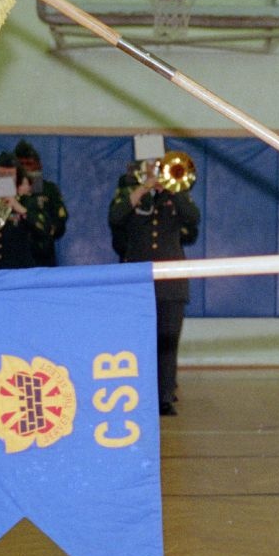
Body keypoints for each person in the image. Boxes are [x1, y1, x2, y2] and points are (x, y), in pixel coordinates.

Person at [108, 157, 201, 416]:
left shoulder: (176, 192)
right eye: (150, 166)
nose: (155, 170)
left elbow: (193, 218)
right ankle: (136, 392)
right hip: (137, 280)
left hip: (171, 283)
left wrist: (171, 190)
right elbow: (115, 217)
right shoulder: (129, 191)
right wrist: (143, 188)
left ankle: (164, 396)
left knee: (168, 340)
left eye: (158, 166)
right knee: (137, 341)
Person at [0, 153, 61, 272]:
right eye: (1, 174)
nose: (5, 178)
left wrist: (18, 207)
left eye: (10, 174)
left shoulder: (28, 201)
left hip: (19, 271)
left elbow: (44, 229)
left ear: (18, 178)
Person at [12, 140, 69, 266]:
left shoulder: (48, 189)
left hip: (41, 255)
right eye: (21, 164)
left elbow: (60, 222)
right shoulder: (6, 189)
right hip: (13, 256)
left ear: (39, 165)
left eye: (29, 163)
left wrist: (45, 230)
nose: (25, 168)